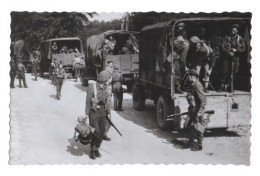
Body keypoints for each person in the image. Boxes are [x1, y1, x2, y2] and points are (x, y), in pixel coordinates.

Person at [85, 71, 111, 159]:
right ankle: (92, 149)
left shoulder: (106, 87)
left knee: (102, 132)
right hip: (94, 112)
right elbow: (88, 102)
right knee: (96, 132)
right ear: (103, 80)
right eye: (107, 79)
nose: (108, 81)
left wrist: (108, 111)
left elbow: (108, 100)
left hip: (103, 112)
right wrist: (86, 114)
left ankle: (97, 148)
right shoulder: (92, 87)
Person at [183, 69, 207, 151]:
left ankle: (199, 145)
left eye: (190, 76)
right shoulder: (192, 85)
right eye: (189, 76)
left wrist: (200, 111)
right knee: (188, 125)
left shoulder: (197, 85)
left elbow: (203, 100)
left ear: (194, 77)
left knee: (198, 127)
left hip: (197, 110)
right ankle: (191, 142)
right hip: (192, 109)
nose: (189, 77)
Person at [220, 24, 245, 92]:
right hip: (227, 57)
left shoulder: (240, 38)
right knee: (224, 71)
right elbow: (223, 46)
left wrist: (236, 50)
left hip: (236, 57)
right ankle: (222, 86)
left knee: (234, 72)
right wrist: (228, 52)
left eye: (234, 31)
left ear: (237, 31)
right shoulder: (227, 37)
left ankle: (230, 86)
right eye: (232, 30)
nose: (232, 32)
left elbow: (243, 48)